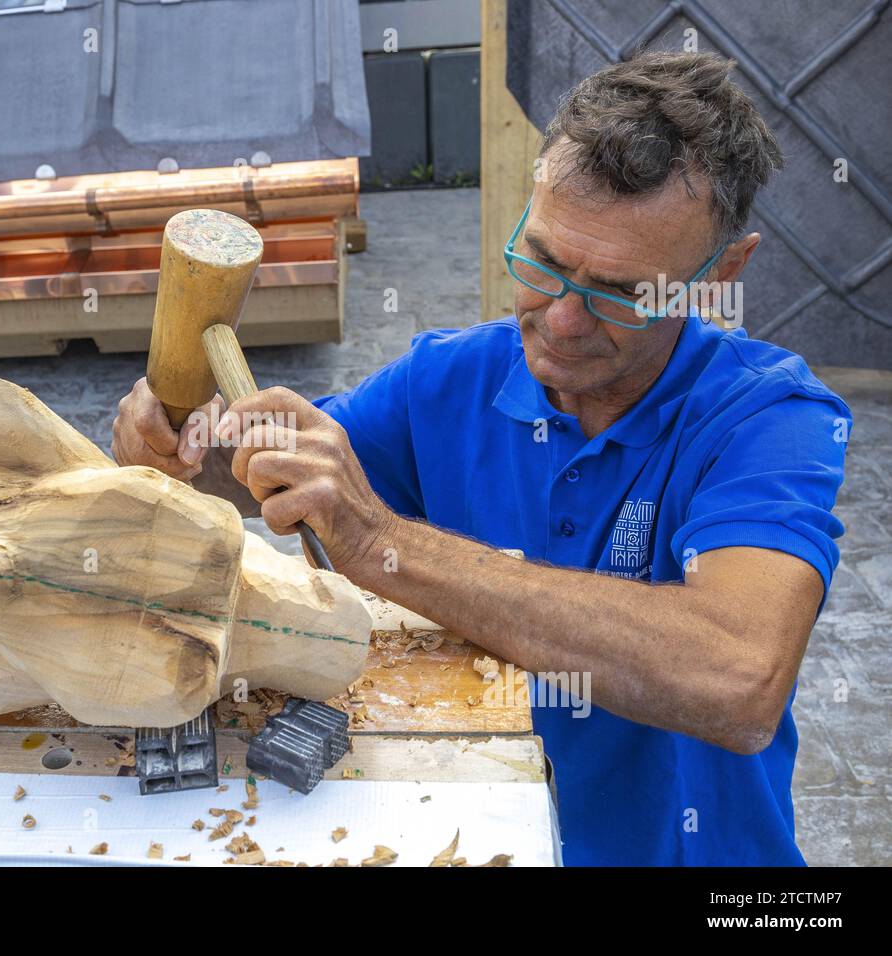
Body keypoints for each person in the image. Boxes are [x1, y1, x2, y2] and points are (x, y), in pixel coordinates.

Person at [111, 52, 850, 866]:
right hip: (481, 839)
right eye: (542, 262)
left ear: (720, 277)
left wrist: (384, 543)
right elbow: (287, 474)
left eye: (623, 292)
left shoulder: (768, 418)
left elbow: (737, 679)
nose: (563, 320)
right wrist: (185, 436)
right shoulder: (452, 376)